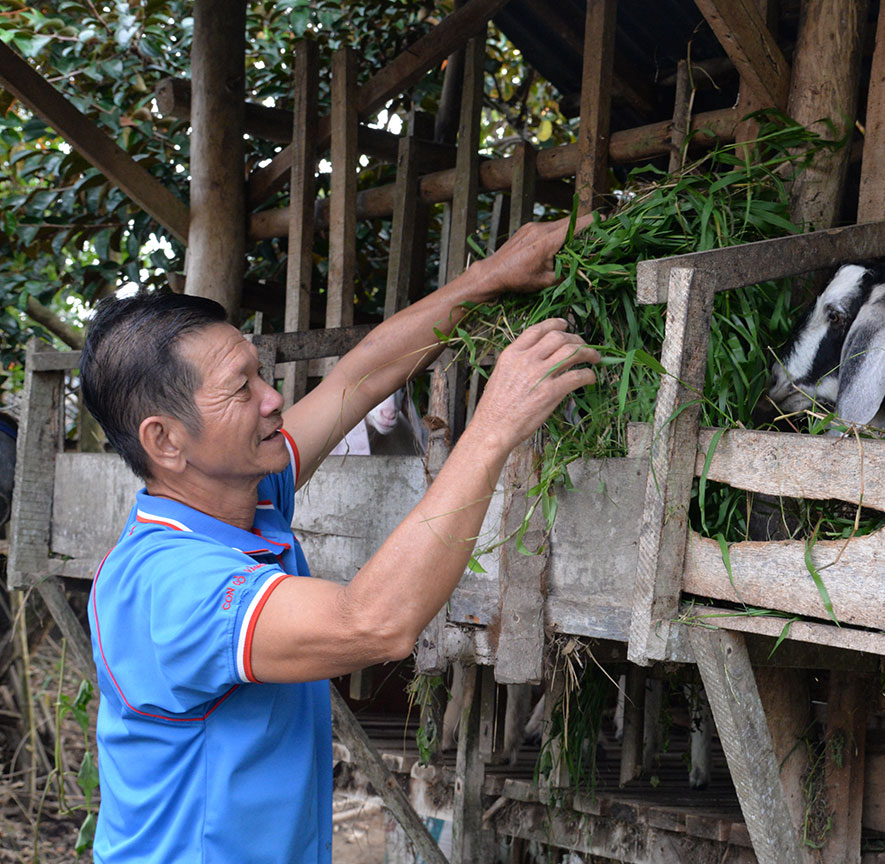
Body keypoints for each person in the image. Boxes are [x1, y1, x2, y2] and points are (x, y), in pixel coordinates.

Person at [78, 215, 598, 862]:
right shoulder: (170, 587)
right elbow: (373, 623)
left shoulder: (243, 493)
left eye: (259, 374)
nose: (272, 399)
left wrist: (491, 276)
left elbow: (358, 378)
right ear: (164, 440)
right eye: (241, 389)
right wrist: (493, 428)